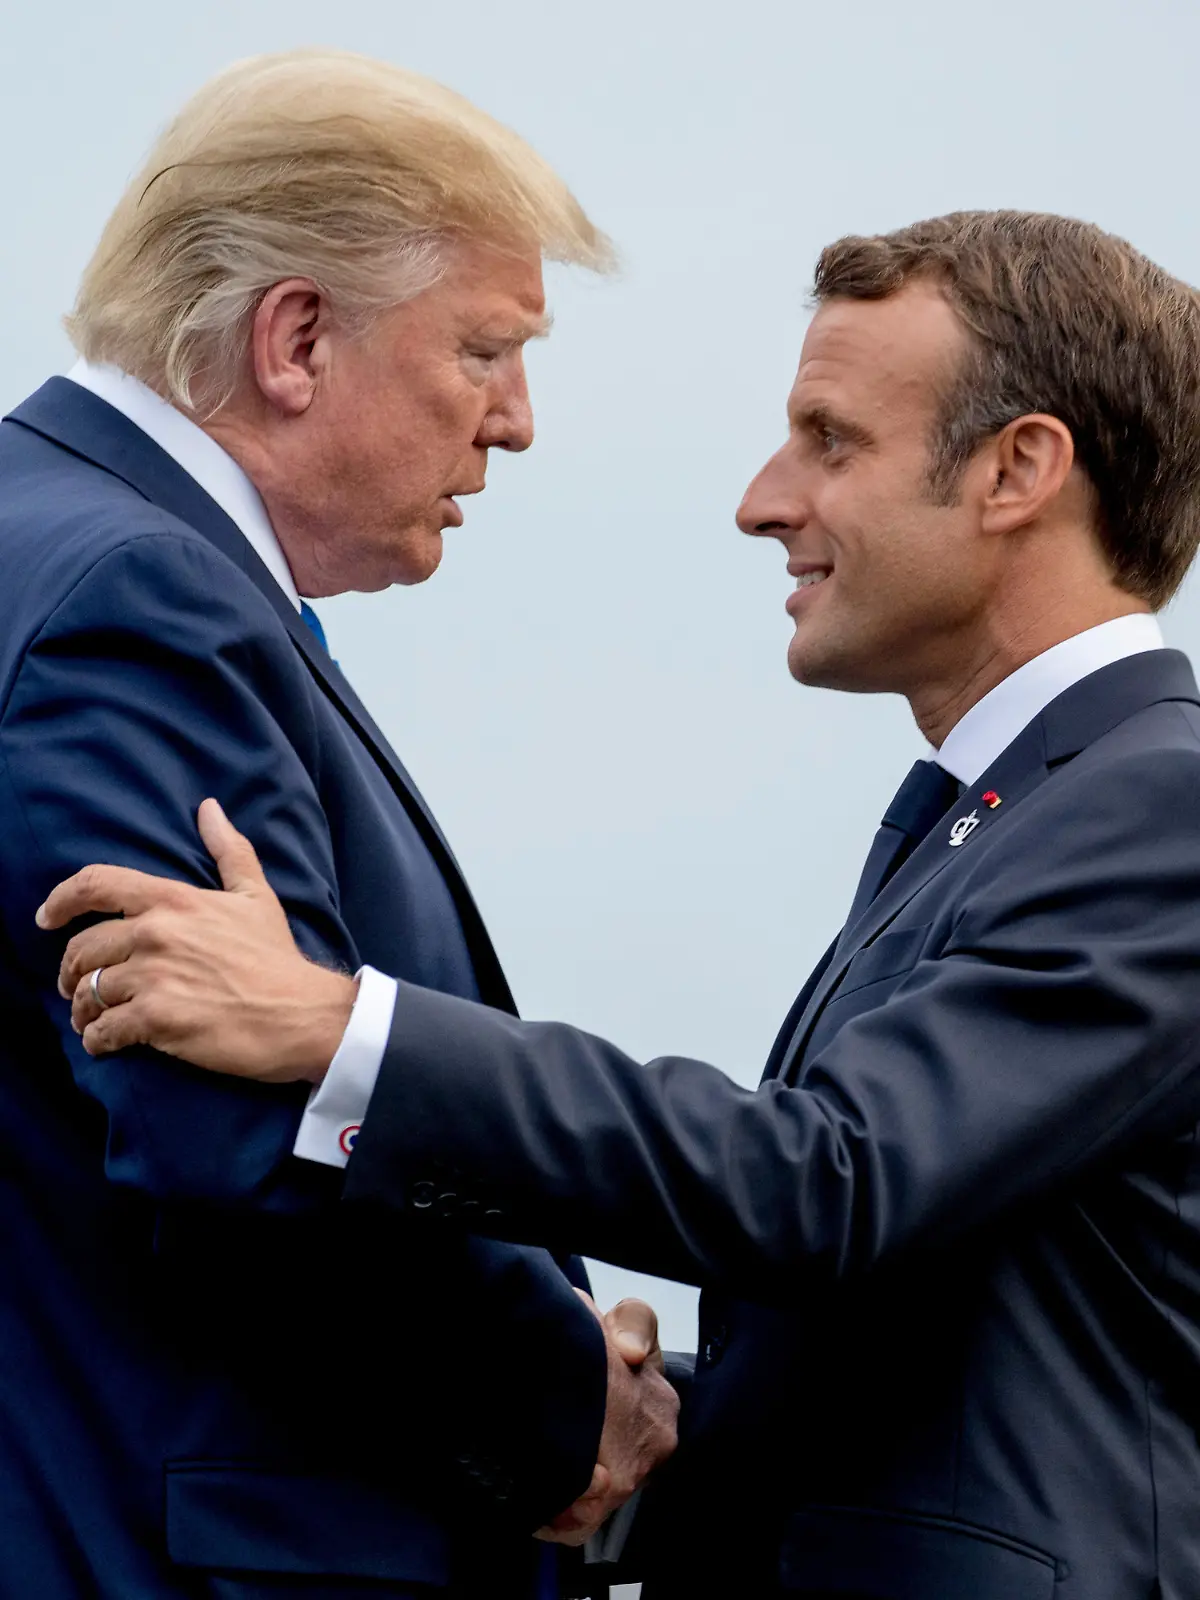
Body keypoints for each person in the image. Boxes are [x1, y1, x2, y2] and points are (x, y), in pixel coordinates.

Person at [42, 210, 1200, 1598]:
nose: (766, 499)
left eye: (831, 440)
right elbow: (927, 1361)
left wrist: (339, 1031)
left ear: (1020, 469)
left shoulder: (1157, 806)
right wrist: (602, 1413)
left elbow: (834, 1180)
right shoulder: (1009, 810)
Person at [0, 48, 679, 1600]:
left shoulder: (51, 541)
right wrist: (559, 1396)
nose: (515, 423)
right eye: (487, 350)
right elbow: (227, 1139)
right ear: (296, 338)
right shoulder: (137, 598)